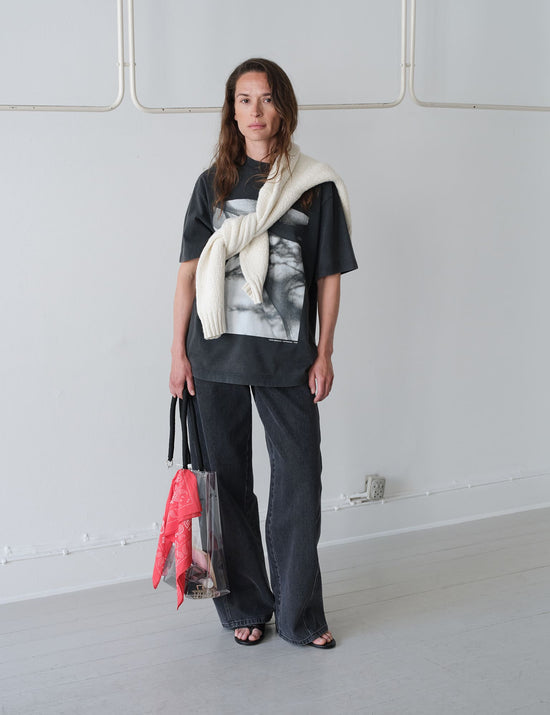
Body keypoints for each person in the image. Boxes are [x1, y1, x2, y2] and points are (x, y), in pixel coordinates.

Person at [169, 58, 357, 648]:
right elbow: (188, 274)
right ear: (232, 111)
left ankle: (300, 615)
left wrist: (325, 351)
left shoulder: (314, 185)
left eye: (267, 98)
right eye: (244, 99)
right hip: (213, 356)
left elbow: (328, 275)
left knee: (299, 481)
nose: (255, 111)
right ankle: (245, 607)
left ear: (284, 108)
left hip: (286, 358)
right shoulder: (213, 184)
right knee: (226, 485)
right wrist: (177, 353)